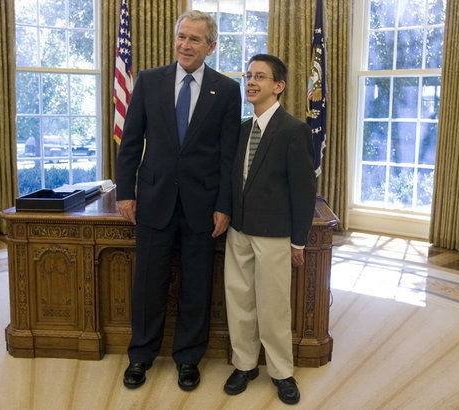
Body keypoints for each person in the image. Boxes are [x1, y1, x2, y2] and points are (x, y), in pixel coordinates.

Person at [115, 10, 241, 391]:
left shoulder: (226, 89)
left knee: (196, 286)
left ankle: (189, 358)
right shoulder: (150, 81)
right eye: (182, 36)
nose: (186, 45)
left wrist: (224, 204)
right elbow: (131, 141)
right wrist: (125, 192)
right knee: (148, 284)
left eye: (195, 39)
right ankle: (141, 356)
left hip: (202, 205)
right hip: (153, 199)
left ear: (211, 46)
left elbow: (227, 155)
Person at [223, 54, 316, 405]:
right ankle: (244, 365)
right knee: (240, 301)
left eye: (259, 76)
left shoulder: (294, 130)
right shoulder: (243, 129)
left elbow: (303, 191)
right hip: (240, 231)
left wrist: (299, 241)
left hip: (275, 235)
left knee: (274, 307)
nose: (250, 81)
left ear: (278, 86)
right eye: (248, 75)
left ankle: (281, 372)